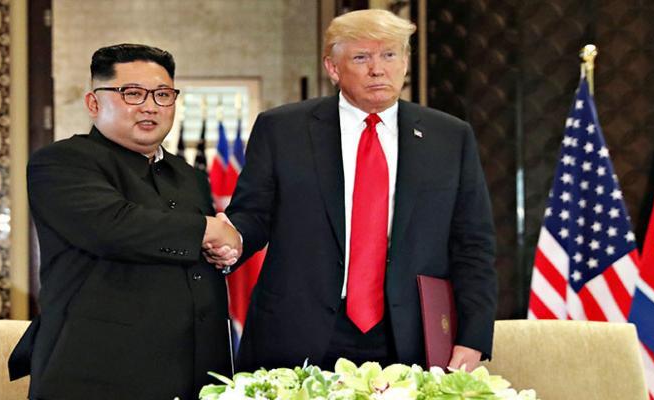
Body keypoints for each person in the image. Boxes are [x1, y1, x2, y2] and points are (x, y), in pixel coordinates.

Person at [208, 9, 497, 372]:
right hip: (297, 330)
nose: (378, 69)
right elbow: (253, 216)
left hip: (409, 336)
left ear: (405, 62)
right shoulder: (282, 129)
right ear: (332, 68)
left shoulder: (450, 137)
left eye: (390, 55)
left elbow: (473, 244)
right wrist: (231, 239)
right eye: (362, 57)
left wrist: (473, 335)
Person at [8, 43, 240, 399]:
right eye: (132, 93)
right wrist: (208, 229)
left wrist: (221, 251)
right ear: (93, 103)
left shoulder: (187, 174)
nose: (150, 106)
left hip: (197, 371)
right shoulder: (62, 161)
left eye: (163, 94)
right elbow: (113, 227)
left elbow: (193, 253)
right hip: (99, 372)